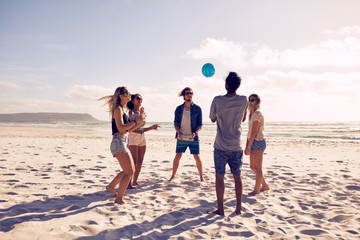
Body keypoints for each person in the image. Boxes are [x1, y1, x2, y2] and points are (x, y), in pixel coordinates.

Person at [209, 72, 248, 216]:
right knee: (237, 176)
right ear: (238, 86)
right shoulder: (244, 100)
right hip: (236, 146)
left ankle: (221, 209)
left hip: (220, 145)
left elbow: (212, 119)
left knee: (220, 177)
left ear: (226, 85)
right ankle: (238, 208)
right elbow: (243, 119)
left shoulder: (217, 100)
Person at [99, 86, 145, 204]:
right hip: (118, 142)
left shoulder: (123, 109)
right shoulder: (118, 109)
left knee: (128, 170)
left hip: (123, 140)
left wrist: (139, 121)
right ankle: (119, 198)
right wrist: (135, 121)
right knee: (130, 172)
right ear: (121, 95)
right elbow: (120, 128)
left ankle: (111, 186)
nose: (129, 94)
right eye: (127, 93)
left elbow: (128, 130)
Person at [169, 87, 204, 181]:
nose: (190, 94)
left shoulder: (197, 109)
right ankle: (172, 176)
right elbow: (176, 123)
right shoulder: (179, 109)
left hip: (193, 137)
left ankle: (201, 177)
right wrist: (178, 132)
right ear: (184, 96)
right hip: (181, 137)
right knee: (178, 156)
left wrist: (195, 133)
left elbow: (200, 124)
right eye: (188, 93)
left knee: (196, 156)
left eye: (191, 93)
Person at [127, 93, 159, 186]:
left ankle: (135, 181)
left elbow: (140, 128)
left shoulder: (141, 113)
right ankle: (128, 183)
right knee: (133, 161)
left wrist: (151, 128)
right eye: (138, 98)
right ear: (133, 101)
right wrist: (140, 117)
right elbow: (131, 128)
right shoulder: (130, 113)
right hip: (133, 137)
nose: (140, 100)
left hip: (142, 137)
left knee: (140, 161)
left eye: (141, 98)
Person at [245, 94, 269, 195]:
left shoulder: (257, 113)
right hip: (252, 141)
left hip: (258, 141)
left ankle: (257, 190)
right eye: (249, 100)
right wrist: (247, 145)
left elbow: (254, 132)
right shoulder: (251, 113)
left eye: (252, 100)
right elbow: (249, 132)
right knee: (252, 167)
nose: (250, 102)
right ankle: (265, 185)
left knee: (258, 167)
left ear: (257, 102)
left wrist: (249, 146)